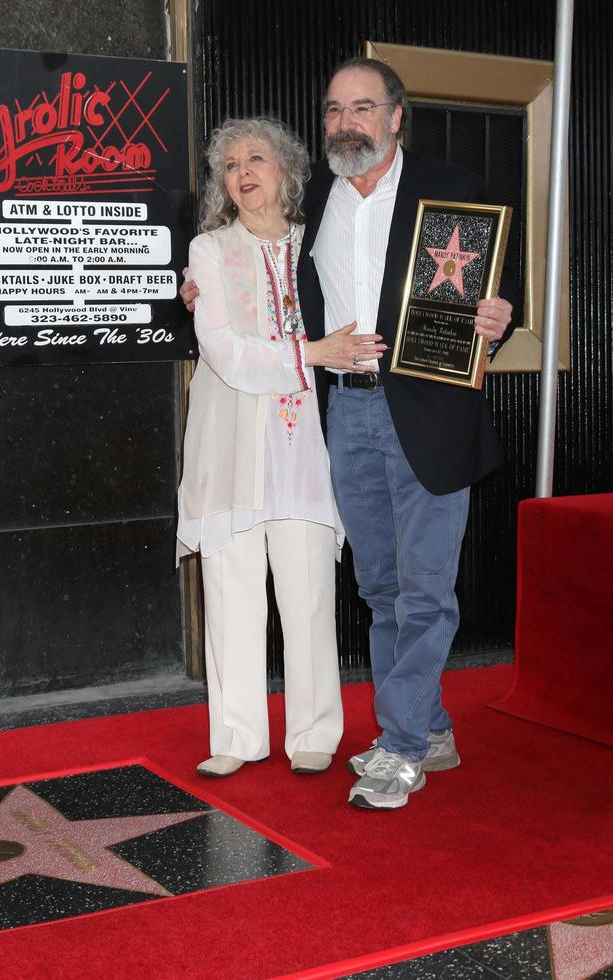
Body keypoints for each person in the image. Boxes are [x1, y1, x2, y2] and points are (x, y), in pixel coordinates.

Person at [182, 59, 520, 809]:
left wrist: (497, 322)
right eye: (334, 110)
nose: (347, 122)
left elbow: (498, 295)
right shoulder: (317, 211)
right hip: (349, 414)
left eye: (363, 108)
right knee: (381, 587)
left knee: (426, 588)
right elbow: (263, 280)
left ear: (396, 116)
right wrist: (195, 286)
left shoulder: (452, 188)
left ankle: (400, 748)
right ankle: (429, 728)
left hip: (432, 411)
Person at [177, 117, 386, 780]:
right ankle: (237, 734)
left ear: (286, 171)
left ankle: (314, 730)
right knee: (231, 586)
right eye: (230, 164)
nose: (243, 172)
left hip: (304, 447)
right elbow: (225, 351)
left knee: (309, 592)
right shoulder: (208, 251)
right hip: (231, 439)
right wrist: (312, 354)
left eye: (257, 158)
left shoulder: (315, 244)